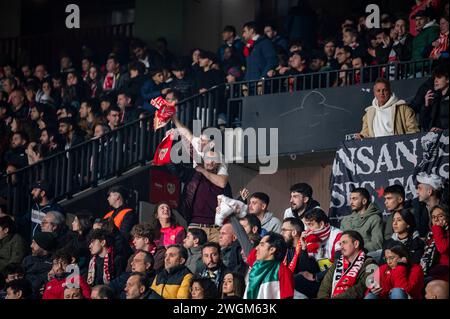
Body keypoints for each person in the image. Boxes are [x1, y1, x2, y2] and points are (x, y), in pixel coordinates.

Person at [317, 231, 375, 299]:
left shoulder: (370, 264)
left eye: (344, 242)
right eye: (340, 243)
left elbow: (361, 288)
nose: (341, 246)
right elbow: (324, 287)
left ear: (356, 244)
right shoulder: (337, 263)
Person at [244, 232, 294, 299]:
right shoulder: (255, 266)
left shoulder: (282, 271)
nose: (257, 248)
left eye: (262, 245)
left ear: (272, 250)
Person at [340, 187, 384, 252]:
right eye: (350, 199)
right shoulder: (345, 220)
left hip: (366, 256)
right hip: (346, 257)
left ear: (364, 201)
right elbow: (340, 242)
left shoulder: (375, 219)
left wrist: (356, 249)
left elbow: (377, 244)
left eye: (354, 199)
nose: (351, 202)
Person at [22, 232, 57, 297]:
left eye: (34, 243)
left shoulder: (54, 261)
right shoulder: (27, 259)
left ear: (43, 246)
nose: (31, 246)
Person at [421, 205, 449, 281]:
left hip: (444, 272)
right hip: (432, 272)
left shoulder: (439, 231)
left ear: (447, 217)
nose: (436, 219)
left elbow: (442, 248)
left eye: (440, 216)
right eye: (433, 217)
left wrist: (437, 229)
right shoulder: (430, 235)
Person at [421, 63, 449, 131]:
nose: (435, 81)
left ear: (448, 80)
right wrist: (426, 106)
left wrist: (444, 132)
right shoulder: (434, 98)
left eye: (439, 77)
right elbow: (423, 125)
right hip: (434, 138)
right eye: (435, 78)